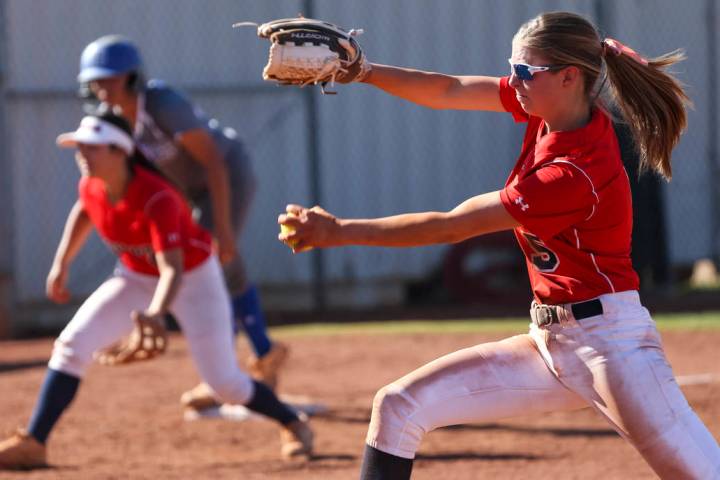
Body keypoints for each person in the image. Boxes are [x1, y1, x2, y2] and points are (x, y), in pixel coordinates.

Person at [277, 11, 720, 480]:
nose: (514, 80)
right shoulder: (551, 112)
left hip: (612, 350)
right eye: (513, 67)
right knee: (398, 405)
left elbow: (450, 227)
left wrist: (339, 230)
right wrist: (363, 70)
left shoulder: (572, 172)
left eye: (525, 71)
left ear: (569, 77)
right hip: (550, 344)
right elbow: (449, 90)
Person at [0, 108, 312, 470]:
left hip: (195, 279)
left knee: (225, 383)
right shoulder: (92, 183)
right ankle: (35, 442)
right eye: (80, 147)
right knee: (71, 346)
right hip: (135, 277)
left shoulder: (157, 197)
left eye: (92, 147)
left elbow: (172, 269)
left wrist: (154, 313)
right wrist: (61, 263)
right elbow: (85, 210)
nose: (82, 154)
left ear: (120, 151)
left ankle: (293, 423)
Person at [76, 35, 289, 408]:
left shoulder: (162, 105)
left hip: (225, 176)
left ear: (131, 78)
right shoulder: (109, 122)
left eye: (110, 78)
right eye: (95, 80)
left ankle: (230, 372)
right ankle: (261, 354)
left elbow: (214, 164)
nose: (101, 87)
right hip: (184, 190)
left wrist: (222, 228)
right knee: (222, 267)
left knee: (206, 262)